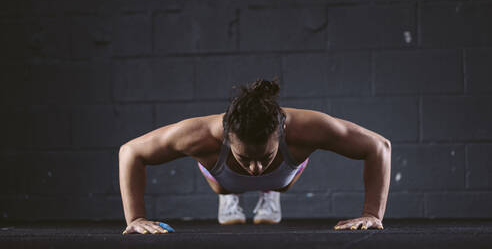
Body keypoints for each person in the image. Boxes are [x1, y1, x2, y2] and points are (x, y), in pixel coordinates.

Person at [119, 78, 391, 234]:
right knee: (224, 187)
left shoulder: (309, 128)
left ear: (282, 132)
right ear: (225, 137)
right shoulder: (197, 134)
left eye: (265, 156)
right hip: (221, 176)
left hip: (285, 173)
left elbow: (379, 146)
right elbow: (130, 152)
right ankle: (231, 196)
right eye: (244, 158)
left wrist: (371, 214)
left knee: (278, 183)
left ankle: (268, 190)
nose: (255, 168)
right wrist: (136, 219)